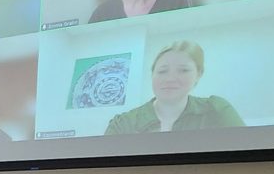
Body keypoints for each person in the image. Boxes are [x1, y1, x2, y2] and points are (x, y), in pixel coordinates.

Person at [104, 40, 246, 134]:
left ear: (198, 74)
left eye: (183, 70)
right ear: (152, 74)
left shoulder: (216, 110)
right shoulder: (122, 124)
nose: (170, 79)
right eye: (162, 71)